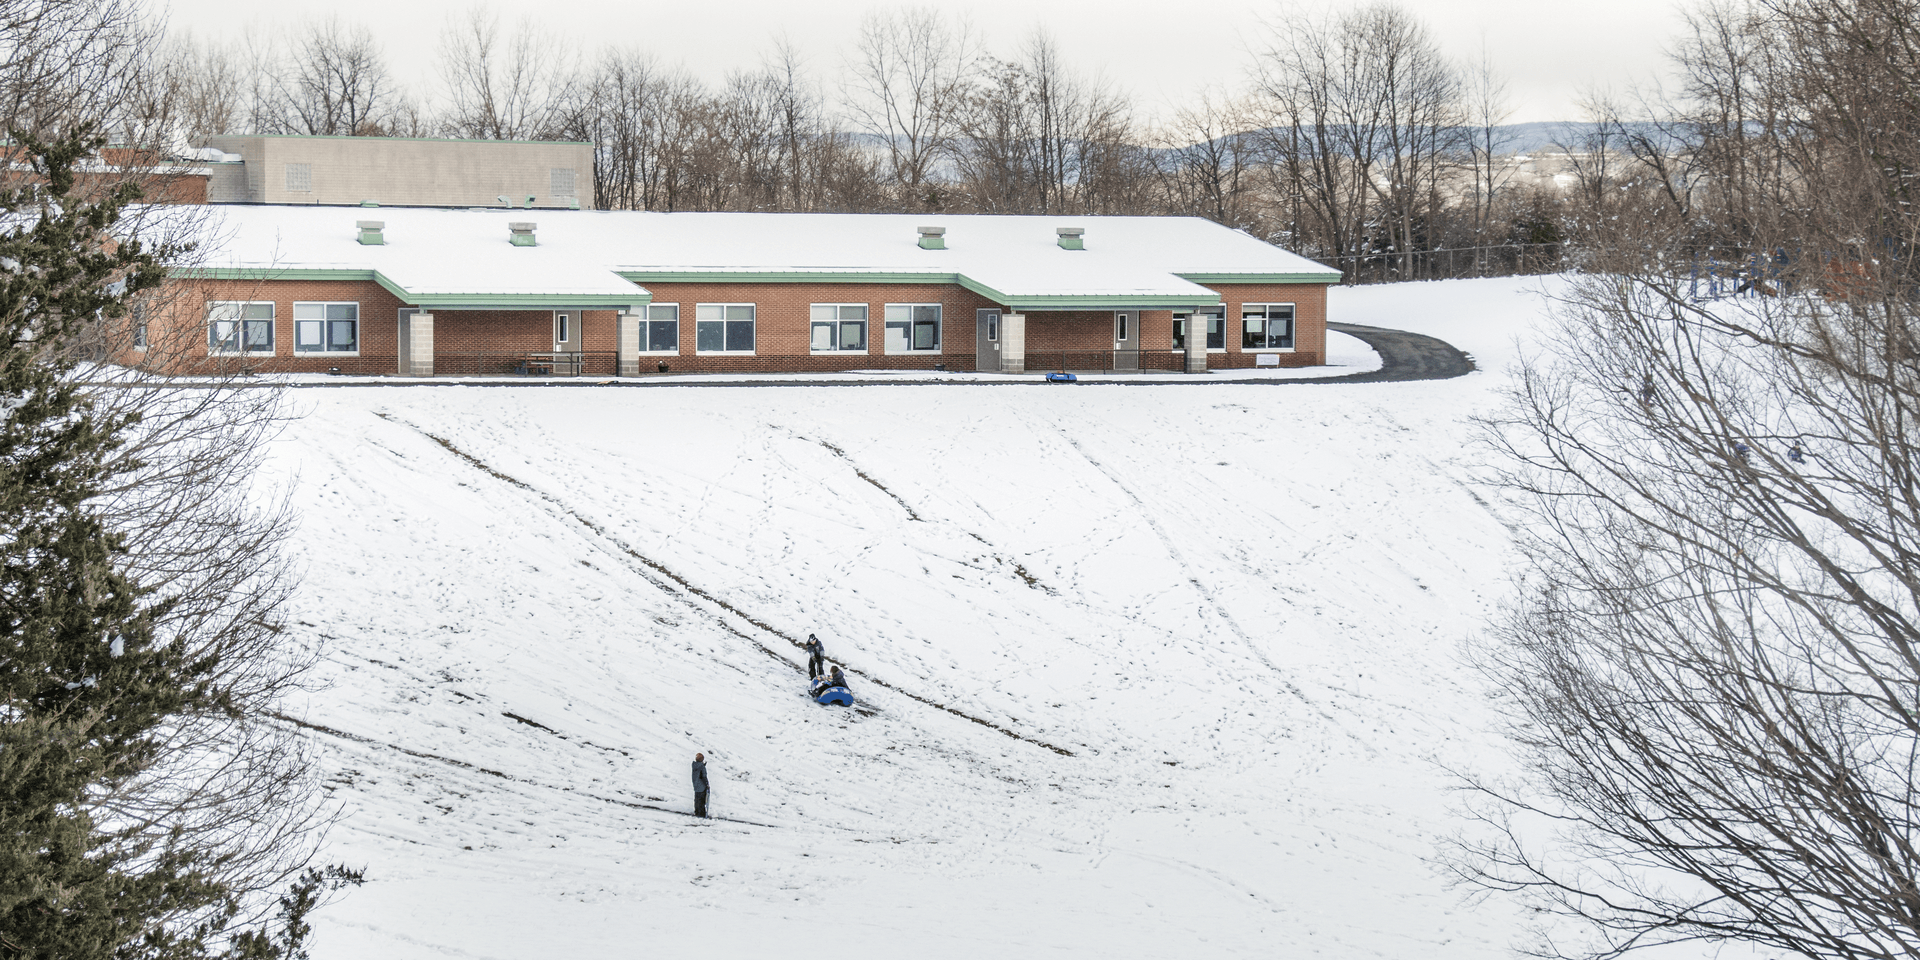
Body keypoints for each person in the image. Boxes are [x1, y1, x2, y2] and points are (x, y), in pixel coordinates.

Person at [692, 752, 709, 819]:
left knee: (697, 799)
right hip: (702, 786)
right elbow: (703, 776)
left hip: (696, 785)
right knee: (702, 800)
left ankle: (697, 812)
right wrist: (707, 784)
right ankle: (702, 813)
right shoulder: (702, 767)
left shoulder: (694, 765)